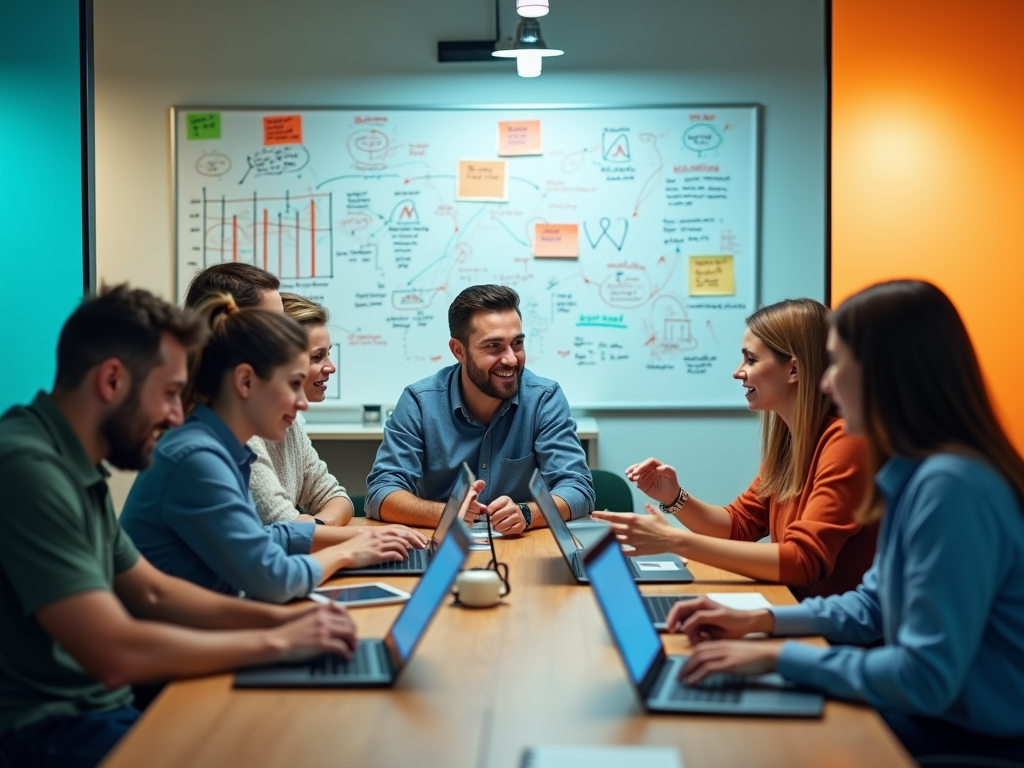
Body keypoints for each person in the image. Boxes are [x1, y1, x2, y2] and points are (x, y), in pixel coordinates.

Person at [0, 286, 360, 768]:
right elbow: (113, 651)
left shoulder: (73, 462)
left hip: (99, 710)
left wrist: (288, 621)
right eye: (169, 393)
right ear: (112, 381)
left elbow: (154, 593)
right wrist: (277, 642)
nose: (176, 414)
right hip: (49, 729)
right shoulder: (27, 467)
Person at [671, 281, 1024, 760]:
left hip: (972, 738)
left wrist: (778, 655)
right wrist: (760, 620)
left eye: (839, 365)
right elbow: (870, 605)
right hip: (936, 711)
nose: (827, 382)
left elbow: (925, 677)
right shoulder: (914, 470)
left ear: (887, 375)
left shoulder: (952, 486)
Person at [120, 293, 428, 603]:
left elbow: (264, 537)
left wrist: (365, 537)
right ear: (245, 382)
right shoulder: (198, 457)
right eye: (293, 384)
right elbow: (275, 577)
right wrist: (349, 550)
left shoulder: (219, 446)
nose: (302, 401)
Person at [594, 299, 876, 598]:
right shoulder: (792, 441)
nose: (738, 372)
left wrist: (672, 540)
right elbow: (740, 525)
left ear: (793, 370)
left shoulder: (848, 443)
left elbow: (804, 562)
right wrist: (674, 498)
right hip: (797, 609)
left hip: (832, 632)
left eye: (751, 360)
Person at [366, 284, 595, 532]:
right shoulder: (420, 402)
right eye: (494, 346)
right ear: (458, 351)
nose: (510, 359)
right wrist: (448, 514)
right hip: (442, 547)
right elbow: (381, 492)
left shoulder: (544, 399)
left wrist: (527, 513)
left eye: (517, 343)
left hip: (519, 544)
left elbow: (577, 489)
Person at [248, 293, 354, 525]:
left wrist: (317, 526)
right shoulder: (243, 433)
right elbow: (284, 527)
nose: (331, 367)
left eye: (328, 354)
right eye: (317, 357)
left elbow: (336, 498)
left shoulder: (292, 422)